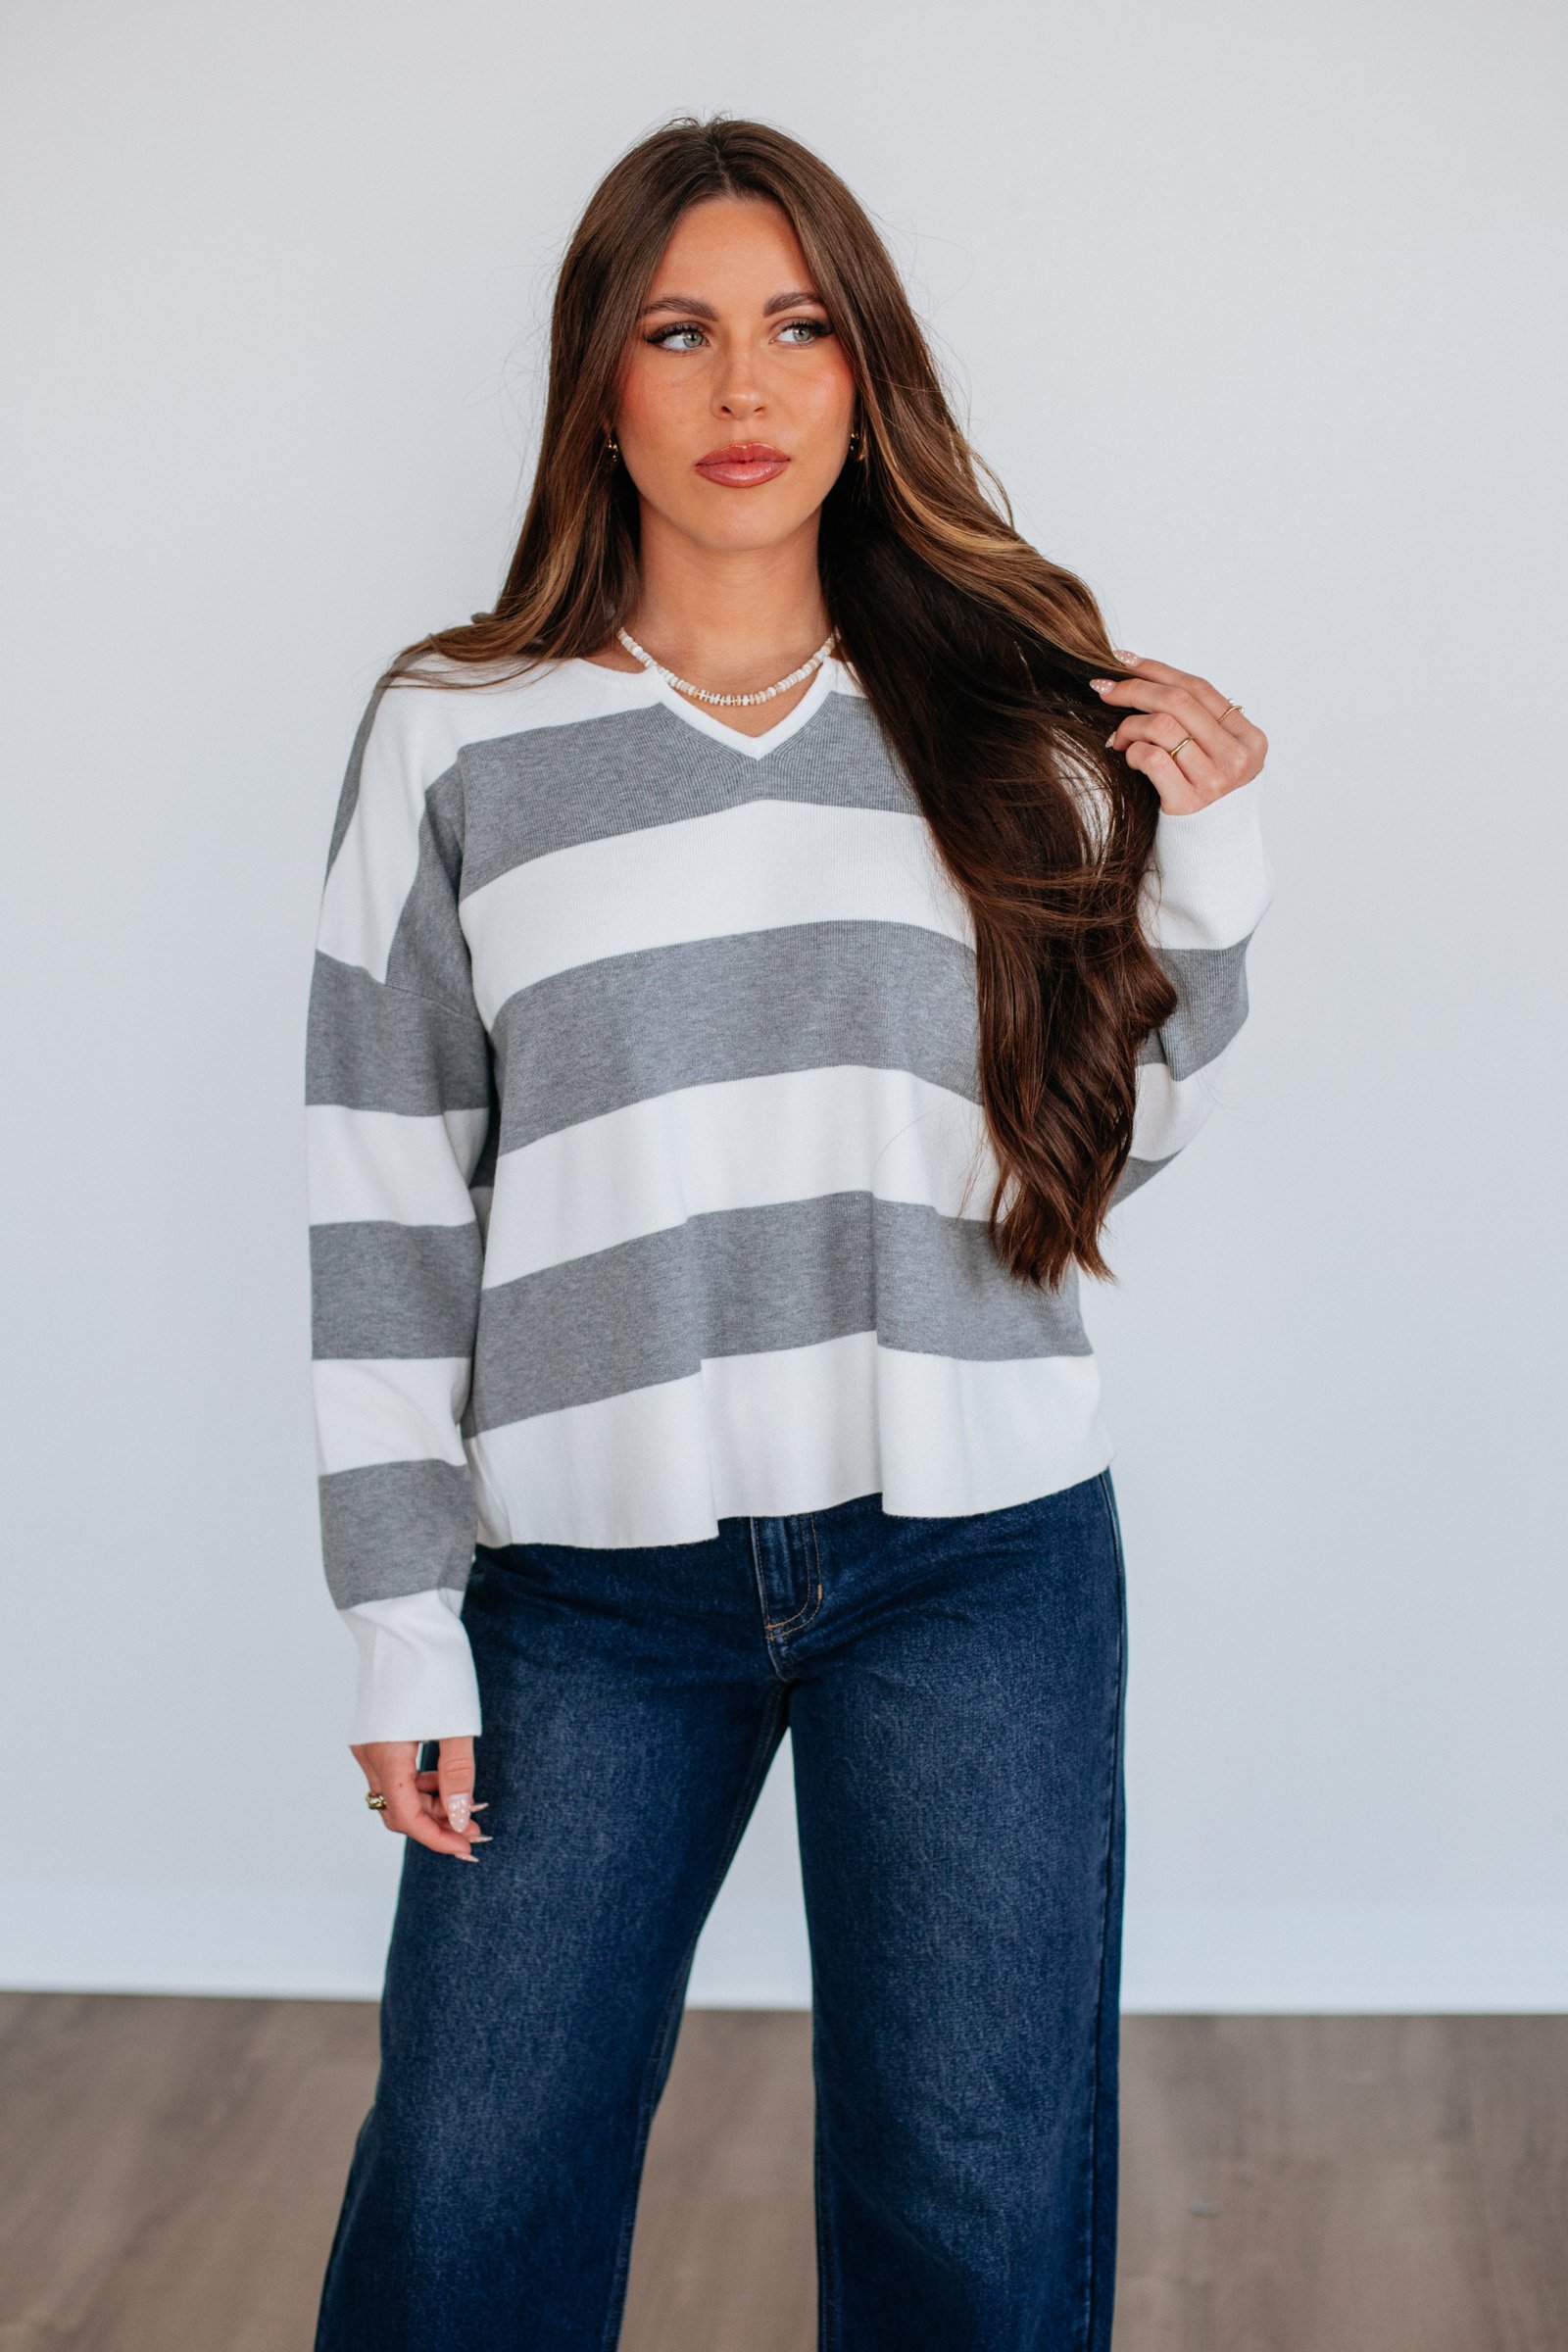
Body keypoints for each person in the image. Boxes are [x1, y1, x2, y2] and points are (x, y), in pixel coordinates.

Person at [305, 114, 1271, 2352]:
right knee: (470, 2189)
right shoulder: (455, 733)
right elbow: (378, 1178)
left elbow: (1089, 1151)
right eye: (678, 332)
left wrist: (1210, 871)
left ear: (862, 372)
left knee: (972, 2210)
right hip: (580, 1585)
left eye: (797, 327)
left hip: (974, 1559)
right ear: (599, 383)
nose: (742, 387)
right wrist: (397, 1616)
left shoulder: (1008, 714)